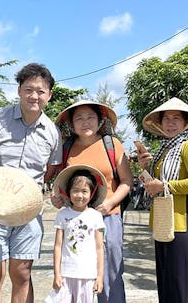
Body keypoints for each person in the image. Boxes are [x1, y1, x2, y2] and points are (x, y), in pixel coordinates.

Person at [0, 63, 62, 303]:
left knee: (22, 273)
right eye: (29, 89)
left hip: (29, 212)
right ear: (19, 90)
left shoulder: (52, 132)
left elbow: (52, 170)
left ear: (49, 95)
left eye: (40, 91)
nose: (34, 96)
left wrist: (30, 192)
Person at [52, 100, 133, 303]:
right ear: (71, 123)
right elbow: (61, 182)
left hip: (108, 218)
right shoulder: (67, 148)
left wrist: (110, 203)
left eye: (90, 117)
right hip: (75, 221)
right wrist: (58, 198)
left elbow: (126, 181)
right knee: (76, 272)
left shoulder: (112, 145)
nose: (85, 122)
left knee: (110, 272)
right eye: (79, 117)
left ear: (99, 121)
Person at [137, 97, 188, 303]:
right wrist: (144, 168)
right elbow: (155, 183)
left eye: (176, 118)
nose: (170, 123)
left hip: (183, 219)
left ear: (186, 123)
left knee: (181, 281)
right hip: (164, 219)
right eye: (166, 119)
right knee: (167, 279)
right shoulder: (164, 149)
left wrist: (166, 186)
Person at [52, 164, 107, 302]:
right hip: (66, 274)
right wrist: (57, 274)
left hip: (88, 275)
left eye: (84, 191)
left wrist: (100, 277)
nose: (79, 195)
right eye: (75, 191)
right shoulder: (62, 215)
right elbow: (58, 246)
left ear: (92, 193)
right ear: (68, 192)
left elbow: (99, 248)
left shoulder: (96, 216)